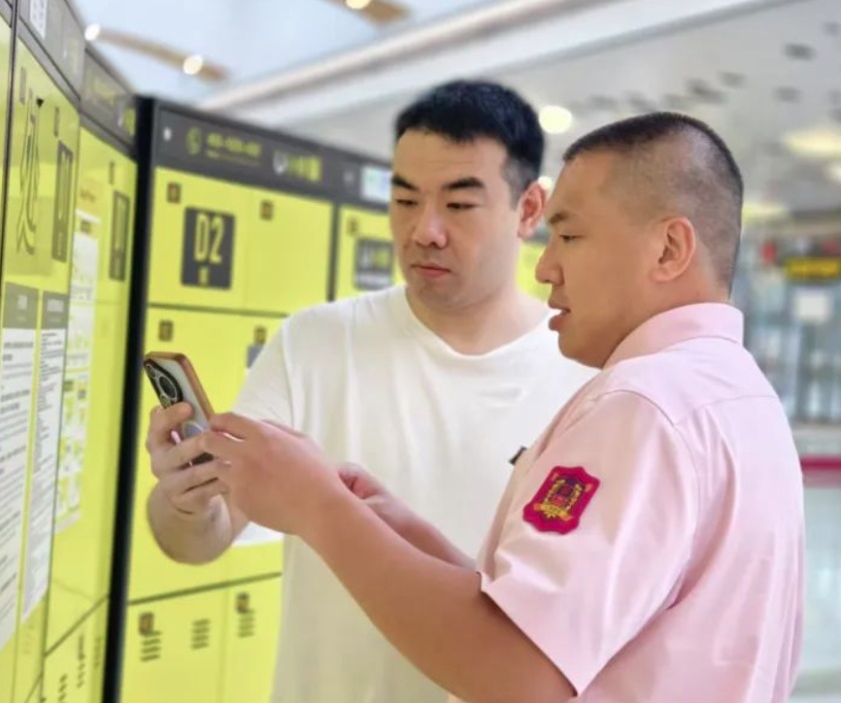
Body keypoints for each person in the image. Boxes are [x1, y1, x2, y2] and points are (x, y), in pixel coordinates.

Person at [198, 111, 806, 703]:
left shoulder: (641, 406)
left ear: (669, 249)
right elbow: (579, 623)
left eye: (570, 236)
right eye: (405, 199)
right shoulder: (738, 395)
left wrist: (317, 507)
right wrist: (406, 539)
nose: (546, 266)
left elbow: (519, 672)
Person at [143, 80, 596, 703]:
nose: (424, 230)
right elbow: (200, 539)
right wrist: (185, 502)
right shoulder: (315, 342)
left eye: (459, 205)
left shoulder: (586, 376)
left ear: (528, 209)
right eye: (405, 200)